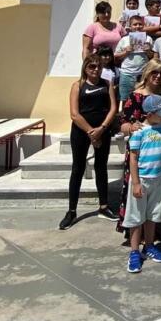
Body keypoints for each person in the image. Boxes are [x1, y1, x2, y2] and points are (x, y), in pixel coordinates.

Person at [59, 56, 119, 230]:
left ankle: (104, 206)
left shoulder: (107, 84)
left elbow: (113, 108)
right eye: (92, 66)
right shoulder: (77, 86)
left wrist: (102, 128)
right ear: (85, 68)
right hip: (81, 132)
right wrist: (91, 132)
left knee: (101, 167)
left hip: (102, 130)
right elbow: (74, 114)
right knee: (77, 169)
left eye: (99, 66)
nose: (96, 69)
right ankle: (71, 211)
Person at [124, 94, 161, 273]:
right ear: (150, 114)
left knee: (152, 215)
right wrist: (136, 183)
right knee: (136, 216)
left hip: (158, 178)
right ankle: (134, 251)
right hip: (142, 179)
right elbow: (133, 158)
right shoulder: (139, 131)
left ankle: (150, 245)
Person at [114, 15, 153, 101]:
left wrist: (148, 51)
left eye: (140, 24)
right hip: (126, 74)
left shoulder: (148, 39)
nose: (137, 26)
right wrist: (126, 52)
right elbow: (115, 56)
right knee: (125, 99)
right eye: (135, 24)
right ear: (130, 26)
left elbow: (152, 57)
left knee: (142, 99)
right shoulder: (124, 39)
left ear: (143, 25)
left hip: (142, 74)